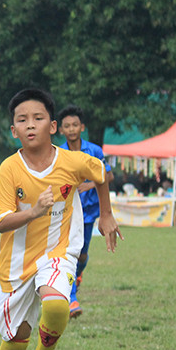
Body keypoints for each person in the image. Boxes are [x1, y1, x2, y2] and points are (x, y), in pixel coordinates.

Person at [0, 88, 121, 350]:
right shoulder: (9, 169)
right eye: (22, 120)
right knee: (15, 338)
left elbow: (100, 172)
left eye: (38, 118)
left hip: (59, 251)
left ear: (52, 126)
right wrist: (34, 212)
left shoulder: (72, 161)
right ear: (14, 130)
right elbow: (2, 222)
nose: (30, 124)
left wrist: (106, 215)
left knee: (57, 303)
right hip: (16, 264)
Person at [57, 105, 113, 319]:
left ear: (82, 127)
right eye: (67, 126)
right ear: (60, 129)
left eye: (75, 125)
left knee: (81, 254)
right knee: (69, 253)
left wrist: (89, 185)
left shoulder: (95, 151)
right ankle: (71, 298)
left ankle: (77, 277)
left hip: (88, 211)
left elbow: (108, 176)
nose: (71, 129)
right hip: (67, 212)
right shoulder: (59, 153)